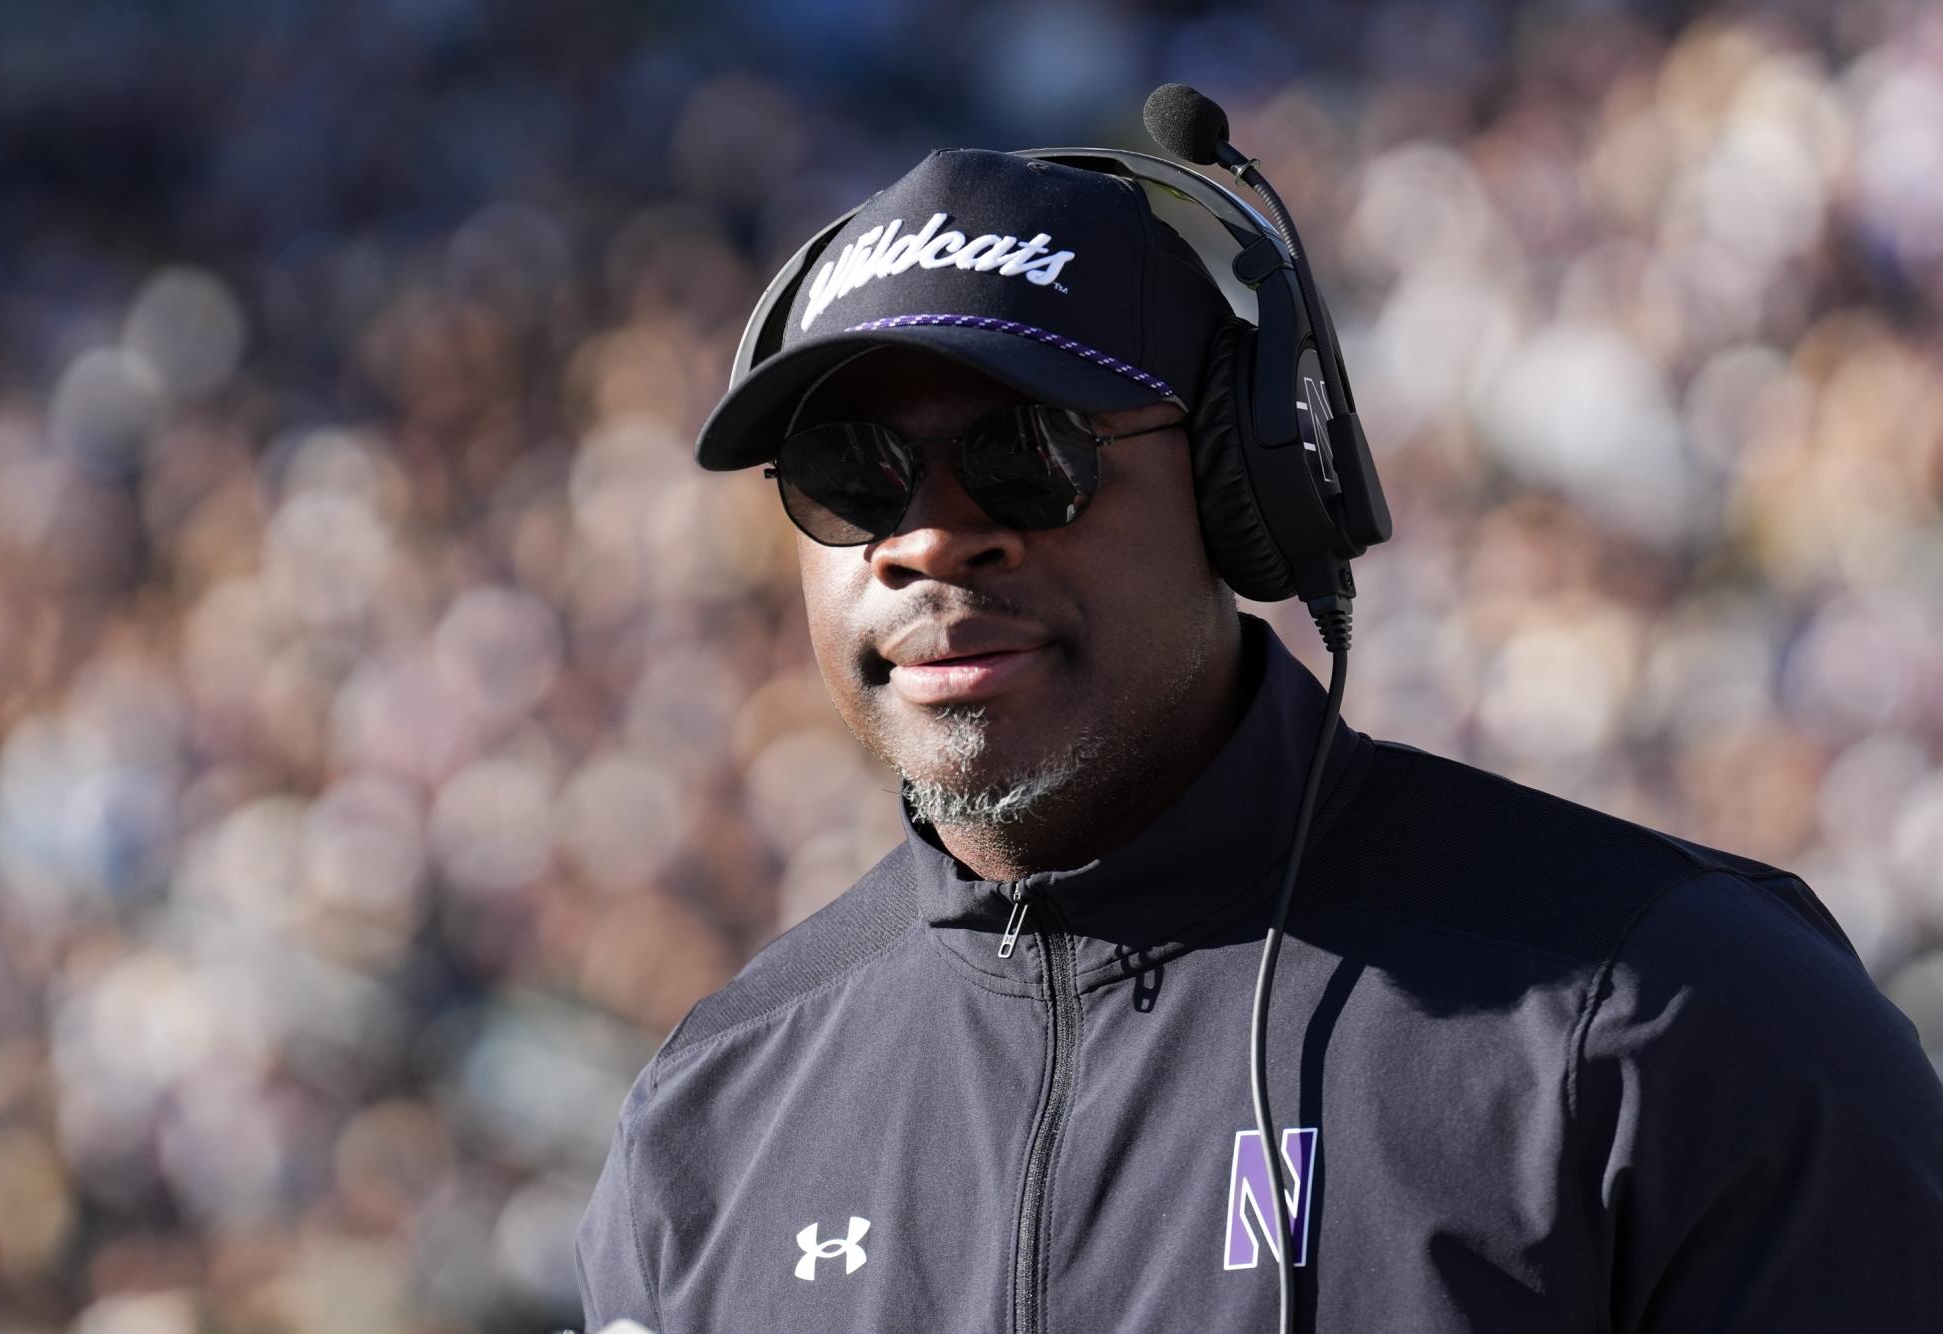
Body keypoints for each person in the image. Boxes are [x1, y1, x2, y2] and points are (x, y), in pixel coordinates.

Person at [574, 148, 1943, 1332]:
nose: (928, 536)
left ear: (1251, 482)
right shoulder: (713, 1114)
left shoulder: (1677, 1018)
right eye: (848, 477)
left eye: (1025, 452)